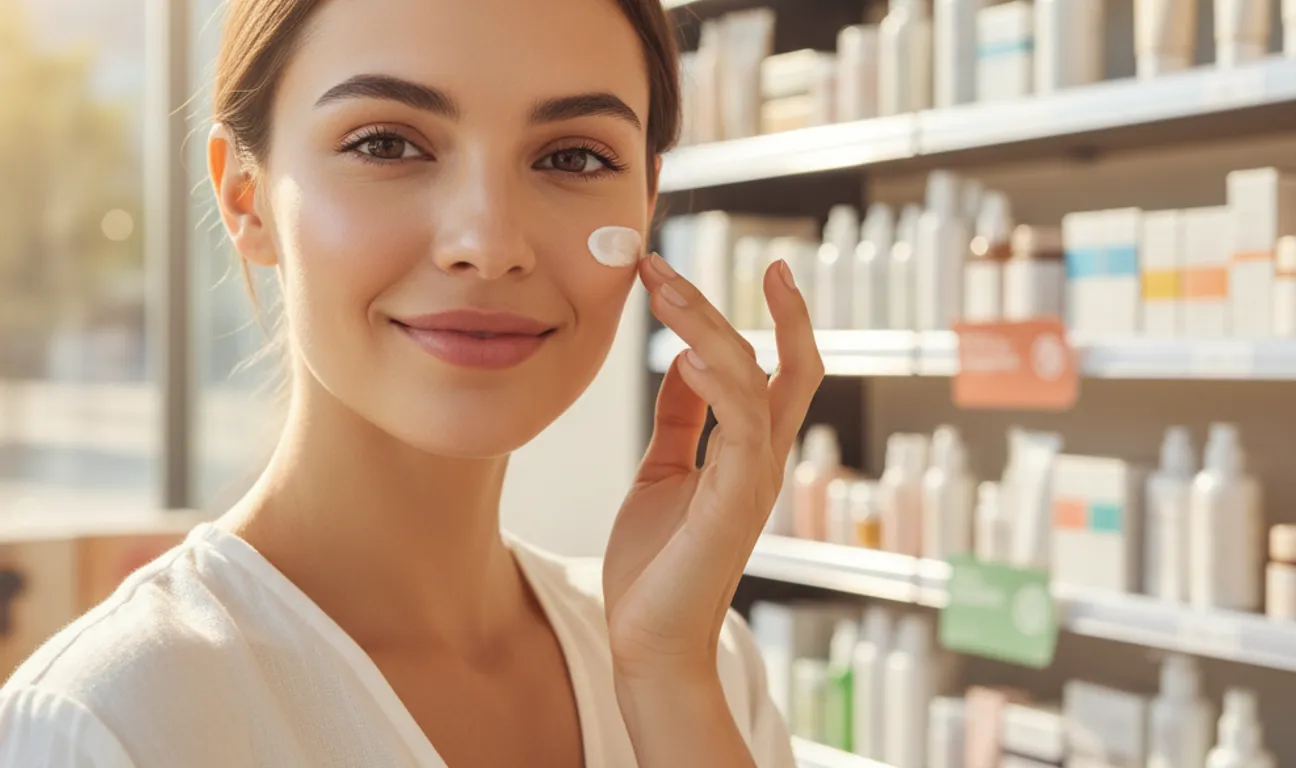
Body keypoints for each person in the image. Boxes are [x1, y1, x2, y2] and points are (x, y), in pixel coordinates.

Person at [0, 0, 824, 765]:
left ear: (647, 201)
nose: (488, 241)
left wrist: (667, 689)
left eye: (573, 156)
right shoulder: (109, 720)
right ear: (245, 197)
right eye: (386, 144)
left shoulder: (702, 664)